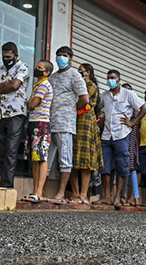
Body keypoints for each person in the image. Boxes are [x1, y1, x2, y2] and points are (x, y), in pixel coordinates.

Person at [98, 70, 146, 208]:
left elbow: (144, 108)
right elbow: (99, 109)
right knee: (105, 166)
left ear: (119, 79)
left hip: (122, 135)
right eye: (108, 78)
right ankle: (107, 196)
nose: (110, 80)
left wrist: (133, 122)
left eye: (112, 78)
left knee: (122, 166)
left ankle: (118, 197)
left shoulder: (128, 94)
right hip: (107, 135)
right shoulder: (104, 96)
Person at [47, 46, 89, 202]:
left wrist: (70, 109)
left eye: (64, 55)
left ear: (70, 59)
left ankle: (61, 193)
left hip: (65, 123)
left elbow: (84, 100)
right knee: (46, 158)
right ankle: (42, 191)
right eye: (58, 55)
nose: (61, 58)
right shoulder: (52, 77)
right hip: (49, 121)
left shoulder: (75, 76)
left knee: (65, 159)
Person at [0, 42, 30, 189]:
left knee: (11, 150)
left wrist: (0, 87)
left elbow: (15, 86)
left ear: (16, 56)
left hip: (16, 113)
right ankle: (4, 181)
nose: (6, 59)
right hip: (0, 114)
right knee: (1, 151)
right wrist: (6, 84)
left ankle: (6, 186)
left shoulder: (22, 68)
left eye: (9, 57)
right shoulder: (0, 69)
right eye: (4, 57)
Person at [70, 63, 103, 204]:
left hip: (86, 123)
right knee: (71, 158)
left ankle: (83, 194)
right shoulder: (78, 84)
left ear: (88, 72)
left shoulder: (90, 86)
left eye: (81, 71)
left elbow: (83, 99)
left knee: (85, 160)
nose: (79, 73)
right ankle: (75, 193)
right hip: (74, 121)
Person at [21, 59, 53, 202]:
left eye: (40, 68)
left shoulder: (44, 85)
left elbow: (32, 104)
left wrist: (30, 102)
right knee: (35, 158)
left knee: (41, 157)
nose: (36, 69)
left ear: (46, 72)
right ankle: (35, 191)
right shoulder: (38, 85)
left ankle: (39, 191)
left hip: (41, 123)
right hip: (34, 122)